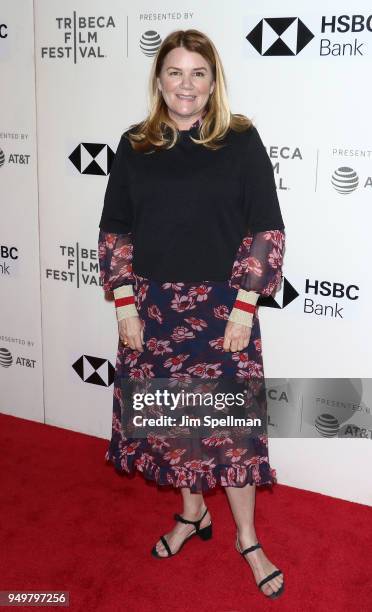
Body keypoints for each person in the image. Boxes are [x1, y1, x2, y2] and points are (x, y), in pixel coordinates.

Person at [98, 29, 285, 599]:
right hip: (152, 310)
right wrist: (125, 306)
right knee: (173, 423)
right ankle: (192, 514)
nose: (186, 84)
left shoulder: (241, 139)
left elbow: (266, 228)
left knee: (230, 431)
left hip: (223, 309)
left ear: (213, 81)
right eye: (175, 72)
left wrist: (245, 307)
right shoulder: (135, 144)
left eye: (198, 73)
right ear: (159, 80)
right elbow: (115, 229)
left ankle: (247, 538)